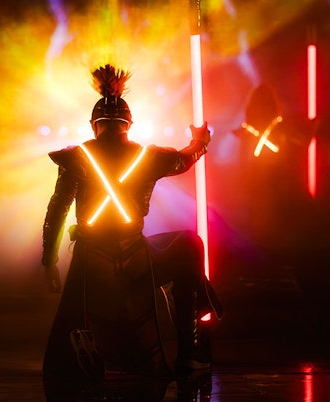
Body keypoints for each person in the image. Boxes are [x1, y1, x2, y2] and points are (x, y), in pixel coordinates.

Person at [41, 64, 222, 381]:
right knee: (189, 246)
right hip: (135, 257)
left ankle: (188, 352)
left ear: (93, 125)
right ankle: (191, 351)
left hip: (91, 256)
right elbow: (186, 158)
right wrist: (200, 140)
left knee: (187, 246)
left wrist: (49, 259)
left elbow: (57, 208)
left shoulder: (77, 158)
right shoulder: (148, 157)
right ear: (129, 124)